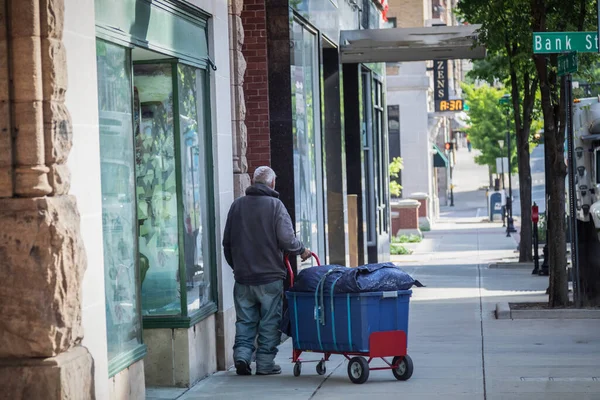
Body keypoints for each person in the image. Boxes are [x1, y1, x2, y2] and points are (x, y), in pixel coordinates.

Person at [223, 166, 311, 376]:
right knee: (270, 321)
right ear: (272, 184)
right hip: (269, 277)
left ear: (253, 182)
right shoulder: (275, 206)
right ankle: (264, 363)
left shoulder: (237, 206)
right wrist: (302, 250)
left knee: (245, 320)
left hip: (243, 278)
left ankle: (242, 357)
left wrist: (238, 268)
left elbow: (227, 243)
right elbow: (287, 240)